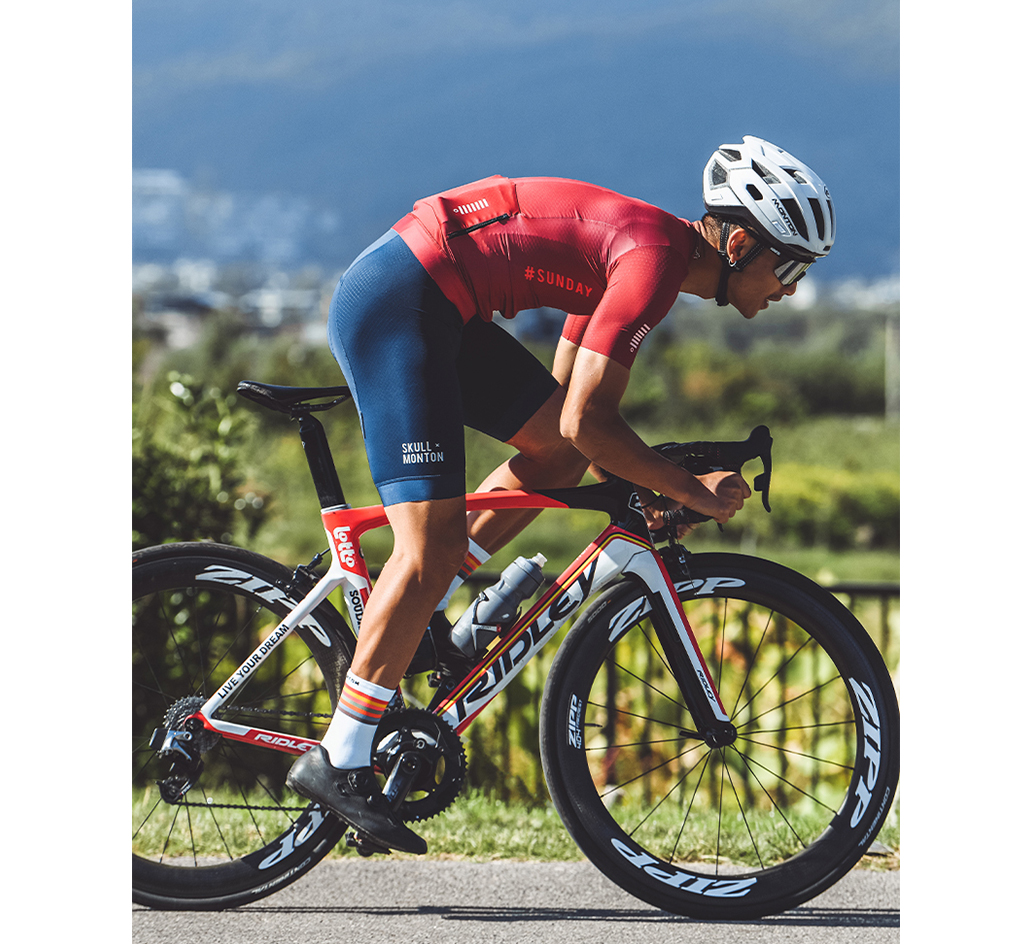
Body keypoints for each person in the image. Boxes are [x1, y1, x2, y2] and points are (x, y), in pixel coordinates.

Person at [287, 135, 836, 853]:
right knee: (427, 548)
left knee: (554, 459)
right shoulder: (652, 262)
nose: (790, 287)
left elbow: (570, 424)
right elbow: (588, 418)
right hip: (402, 302)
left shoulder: (650, 258)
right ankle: (339, 756)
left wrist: (647, 486)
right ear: (738, 243)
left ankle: (424, 618)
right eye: (788, 265)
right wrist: (686, 489)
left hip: (434, 297)